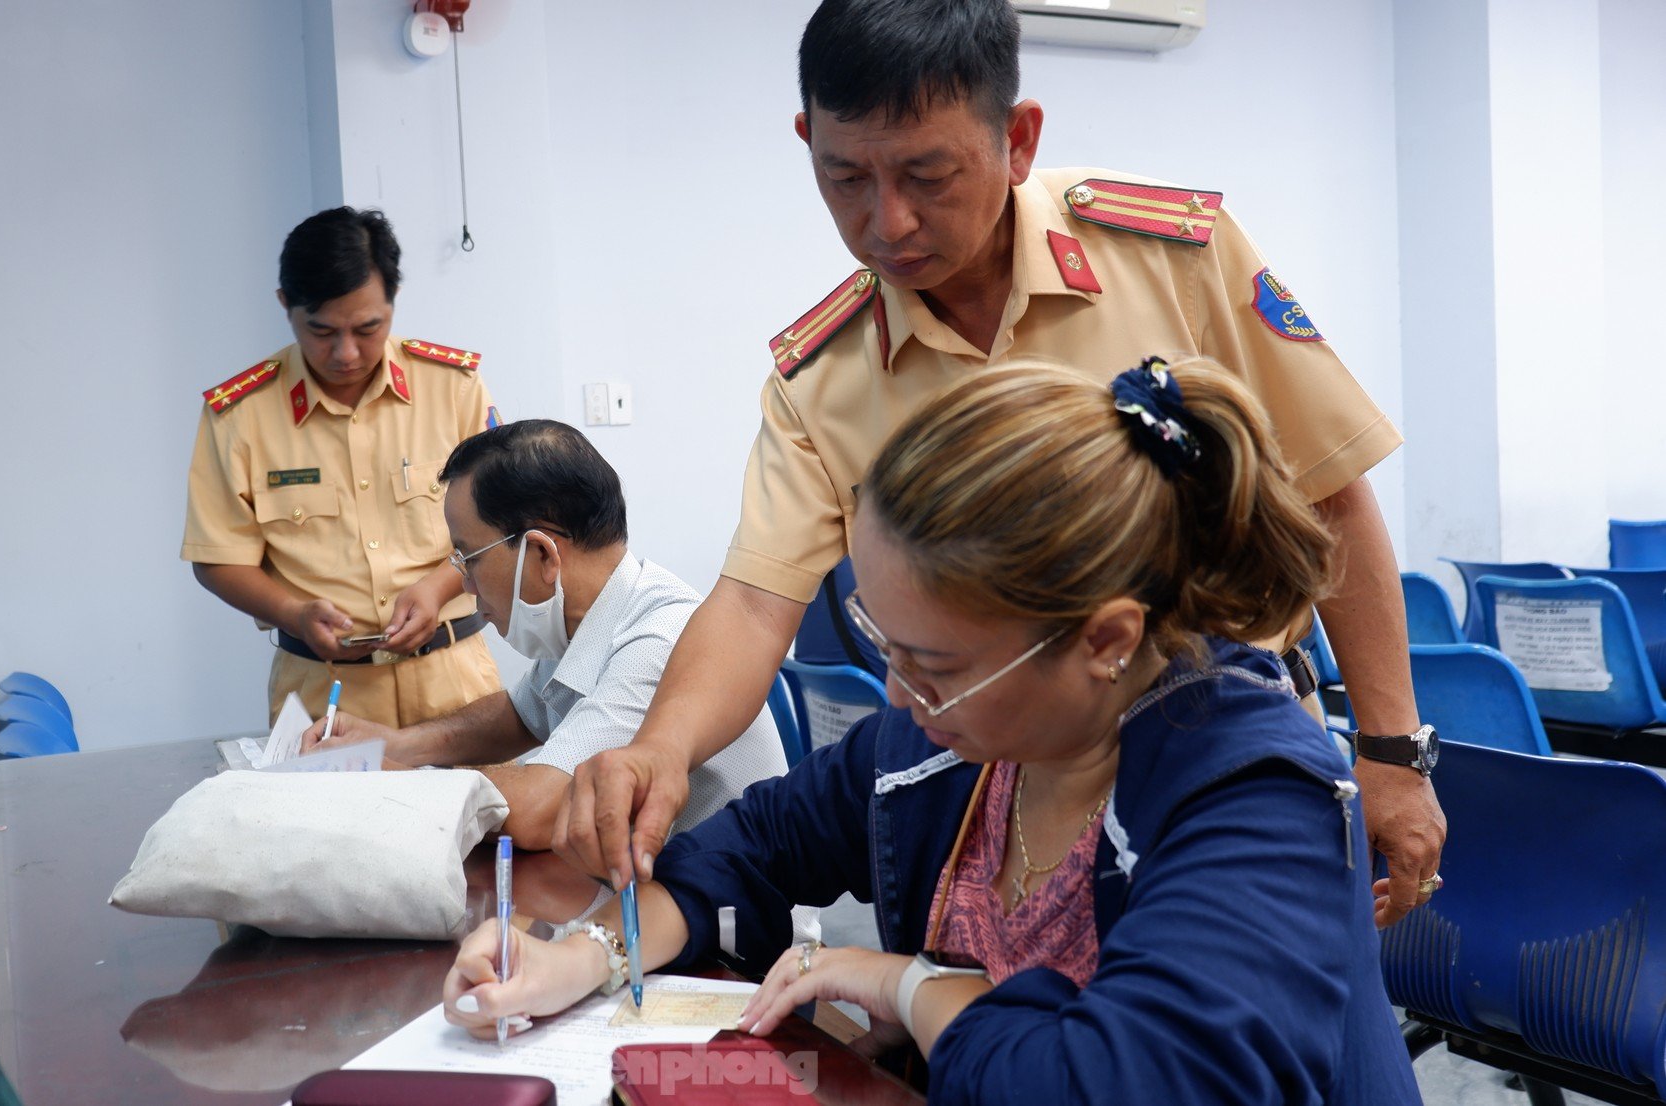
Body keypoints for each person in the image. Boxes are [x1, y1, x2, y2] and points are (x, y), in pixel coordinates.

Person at [559, 0, 1445, 927]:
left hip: (1211, 761)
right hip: (1006, 796)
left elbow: (1330, 493)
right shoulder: (823, 375)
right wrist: (660, 749)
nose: (885, 221)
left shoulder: (1171, 259)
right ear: (806, 145)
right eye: (845, 177)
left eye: (927, 175)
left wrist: (1391, 751)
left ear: (1018, 141)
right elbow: (751, 602)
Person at [446, 358, 1425, 1105]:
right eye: (882, 639)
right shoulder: (963, 740)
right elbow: (750, 843)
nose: (898, 696)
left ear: (1104, 640)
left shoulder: (1256, 795)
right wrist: (583, 956)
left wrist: (907, 984)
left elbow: (1111, 1082)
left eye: (936, 663)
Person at [300, 420, 786, 853]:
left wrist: (379, 775)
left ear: (543, 556)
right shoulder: (592, 613)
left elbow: (539, 808)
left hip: (738, 941)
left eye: (468, 559)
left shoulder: (659, 641)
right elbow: (520, 714)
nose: (465, 587)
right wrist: (395, 744)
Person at [182, 207, 503, 727]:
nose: (346, 352)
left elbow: (503, 522)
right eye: (322, 330)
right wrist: (294, 614)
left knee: (478, 809)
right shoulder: (241, 415)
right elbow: (218, 557)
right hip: (322, 694)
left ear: (392, 306)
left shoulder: (454, 389)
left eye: (367, 328)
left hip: (455, 679)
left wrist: (440, 585)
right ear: (286, 305)